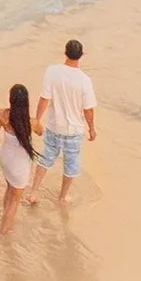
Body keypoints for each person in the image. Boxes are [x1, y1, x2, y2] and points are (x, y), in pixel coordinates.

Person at [39, 37, 97, 203]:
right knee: (70, 165)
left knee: (46, 158)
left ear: (65, 52)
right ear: (81, 55)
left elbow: (44, 98)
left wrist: (37, 119)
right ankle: (62, 197)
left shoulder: (52, 71)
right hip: (73, 130)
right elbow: (88, 110)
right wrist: (91, 129)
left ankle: (34, 190)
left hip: (53, 125)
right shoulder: (84, 80)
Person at [0, 81, 37, 234]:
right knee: (15, 200)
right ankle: (4, 232)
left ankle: (3, 217)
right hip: (19, 164)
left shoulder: (2, 115)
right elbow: (41, 131)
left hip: (5, 158)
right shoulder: (30, 122)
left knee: (9, 189)